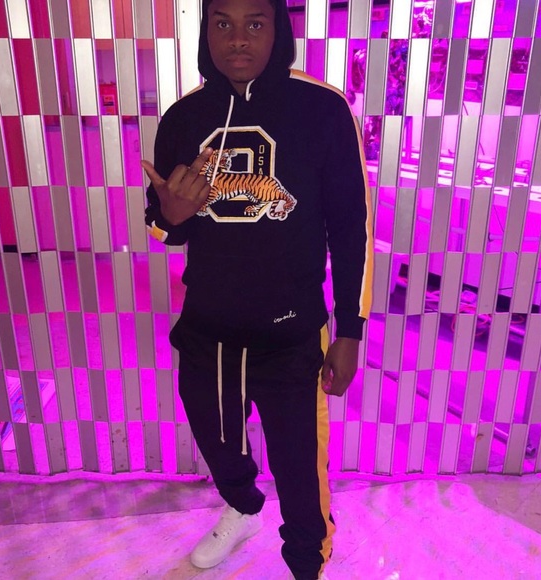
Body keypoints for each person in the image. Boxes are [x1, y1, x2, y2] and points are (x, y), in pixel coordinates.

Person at [142, 1, 373, 578]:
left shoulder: (322, 109)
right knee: (220, 446)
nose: (238, 39)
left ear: (278, 29)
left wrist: (350, 330)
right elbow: (162, 227)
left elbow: (351, 227)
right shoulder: (183, 118)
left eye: (255, 23)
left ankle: (306, 564)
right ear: (206, 31)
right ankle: (243, 507)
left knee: (300, 474)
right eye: (223, 23)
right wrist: (170, 216)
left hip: (290, 335)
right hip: (207, 330)